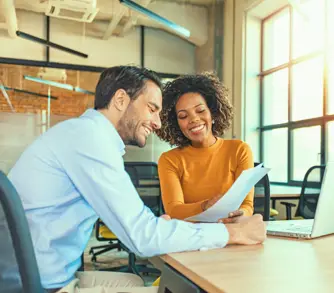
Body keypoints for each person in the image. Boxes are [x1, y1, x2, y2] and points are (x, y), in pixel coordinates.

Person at [8, 66, 266, 293]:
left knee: (133, 283)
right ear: (121, 99)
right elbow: (141, 238)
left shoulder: (84, 135)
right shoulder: (89, 140)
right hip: (38, 285)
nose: (156, 123)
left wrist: (157, 226)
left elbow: (137, 225)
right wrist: (231, 232)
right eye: (152, 109)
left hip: (40, 274)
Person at [156, 73, 254, 223]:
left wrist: (240, 215)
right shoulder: (169, 160)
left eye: (200, 110)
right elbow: (174, 210)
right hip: (190, 237)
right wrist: (205, 206)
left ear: (213, 113)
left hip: (230, 232)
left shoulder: (239, 150)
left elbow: (247, 205)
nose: (194, 119)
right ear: (176, 124)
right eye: (183, 116)